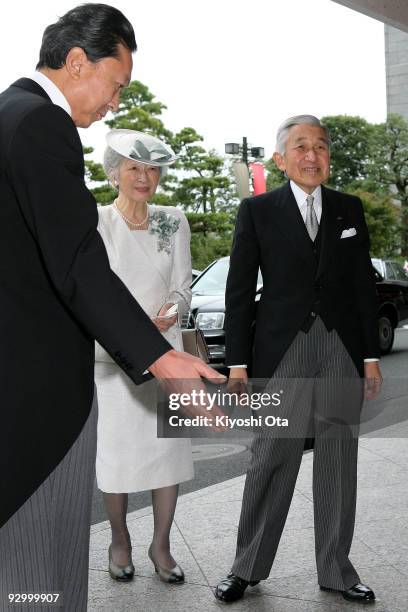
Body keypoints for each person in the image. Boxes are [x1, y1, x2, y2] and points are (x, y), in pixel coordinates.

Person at [0, 5, 224, 611]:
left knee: (20, 567)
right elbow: (75, 262)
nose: (114, 105)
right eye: (116, 86)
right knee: (42, 567)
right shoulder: (40, 125)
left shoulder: (5, 115)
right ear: (77, 62)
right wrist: (163, 360)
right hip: (42, 399)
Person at [215, 115, 382, 604]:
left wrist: (370, 356)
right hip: (282, 347)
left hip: (340, 347)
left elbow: (361, 289)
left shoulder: (348, 210)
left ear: (329, 158)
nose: (313, 156)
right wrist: (239, 364)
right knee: (272, 454)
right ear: (281, 158)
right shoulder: (257, 211)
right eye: (301, 146)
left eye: (322, 147)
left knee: (337, 459)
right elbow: (240, 291)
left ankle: (336, 569)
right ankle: (246, 568)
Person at [95, 129, 193, 584]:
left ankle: (161, 545)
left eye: (152, 168)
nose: (144, 176)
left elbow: (182, 287)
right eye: (134, 167)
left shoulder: (173, 219)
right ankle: (119, 539)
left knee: (166, 456)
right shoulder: (95, 222)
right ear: (115, 173)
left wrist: (170, 312)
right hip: (114, 362)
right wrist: (130, 327)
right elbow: (91, 293)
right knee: (115, 459)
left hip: (166, 353)